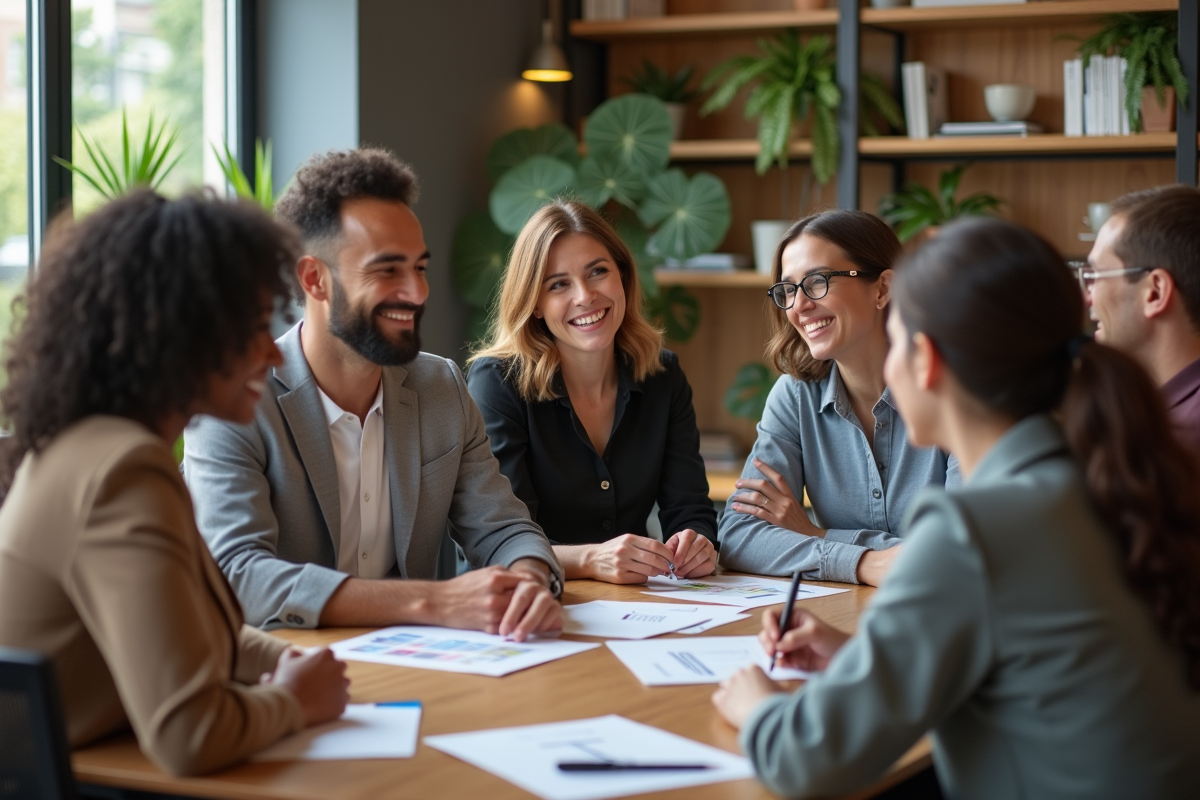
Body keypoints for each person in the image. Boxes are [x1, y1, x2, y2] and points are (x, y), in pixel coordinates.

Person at [713, 217, 1200, 799]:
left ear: (925, 360)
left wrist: (758, 705)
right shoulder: (1097, 481)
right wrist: (855, 654)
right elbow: (1022, 661)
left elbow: (809, 760)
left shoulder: (973, 530)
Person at [0, 191, 350, 777]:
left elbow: (191, 635)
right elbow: (189, 735)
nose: (274, 353)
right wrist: (295, 700)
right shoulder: (121, 472)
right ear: (178, 335)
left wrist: (286, 661)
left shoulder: (93, 446)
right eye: (250, 330)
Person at [184, 148, 562, 639]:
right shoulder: (234, 403)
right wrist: (434, 601)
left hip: (425, 671)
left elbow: (504, 529)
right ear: (315, 279)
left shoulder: (441, 386)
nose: (417, 291)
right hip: (288, 679)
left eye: (420, 268)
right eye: (387, 270)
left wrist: (529, 581)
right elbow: (237, 577)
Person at [467, 201, 717, 584]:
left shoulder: (663, 376)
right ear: (535, 304)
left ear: (623, 277)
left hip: (639, 605)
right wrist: (590, 559)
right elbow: (500, 539)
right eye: (558, 284)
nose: (585, 296)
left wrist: (695, 544)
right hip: (523, 601)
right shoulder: (498, 382)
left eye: (597, 272)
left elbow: (690, 510)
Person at [718, 210, 956, 586]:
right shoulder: (795, 395)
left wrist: (818, 536)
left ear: (882, 289)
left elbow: (962, 551)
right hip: (846, 615)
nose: (798, 307)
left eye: (816, 282)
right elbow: (739, 537)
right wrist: (864, 563)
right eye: (788, 290)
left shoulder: (955, 388)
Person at [1085, 184, 1200, 452]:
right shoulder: (1158, 417)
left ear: (1155, 292)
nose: (1087, 297)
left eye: (1096, 276)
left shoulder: (1178, 446)